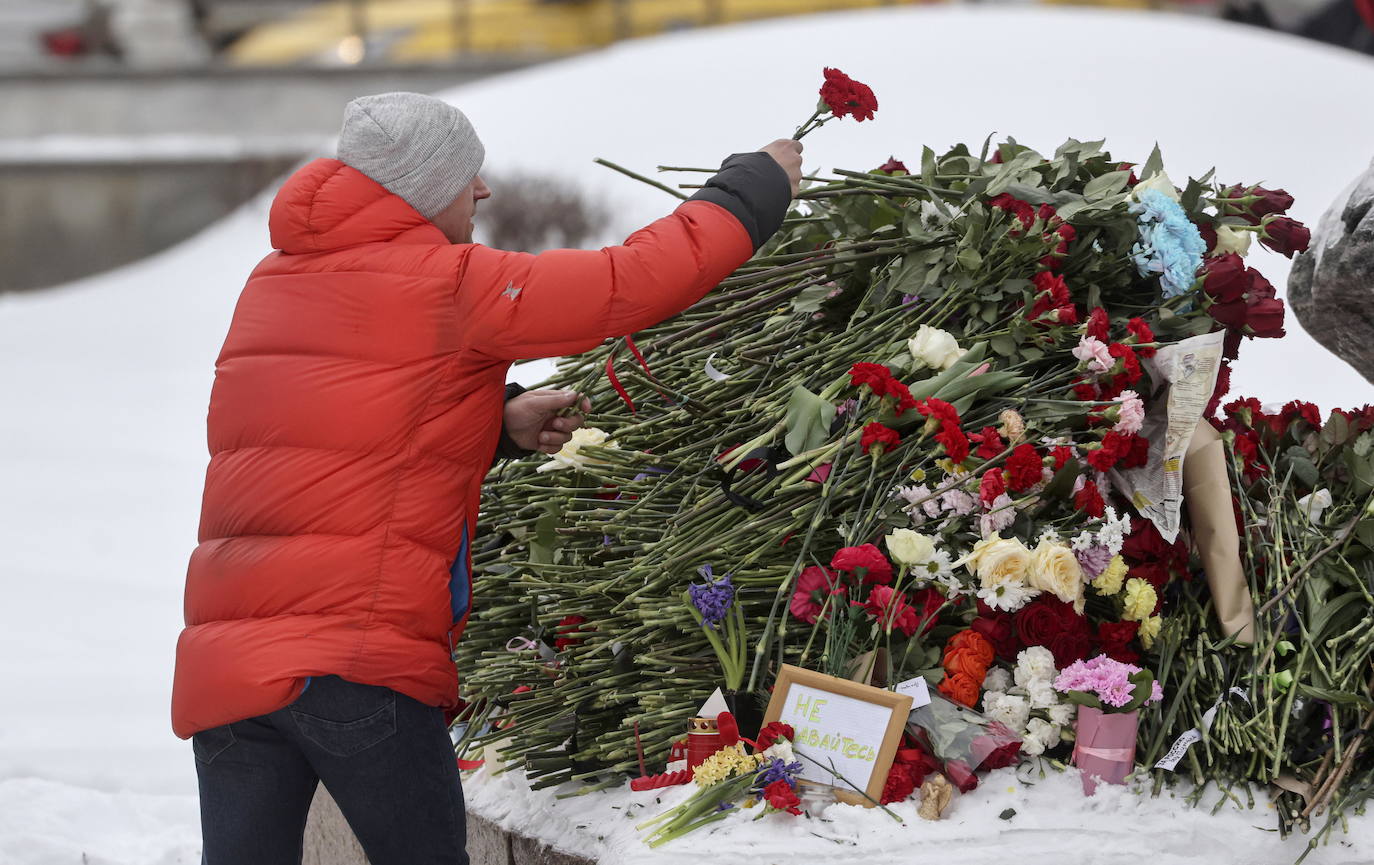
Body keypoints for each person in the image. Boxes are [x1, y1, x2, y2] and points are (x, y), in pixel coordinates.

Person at [172, 91, 801, 864]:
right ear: (422, 185)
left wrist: (496, 423)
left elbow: (321, 428)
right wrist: (752, 187)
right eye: (465, 174)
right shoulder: (451, 282)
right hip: (357, 661)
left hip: (228, 672)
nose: (482, 189)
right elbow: (629, 282)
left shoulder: (275, 283)